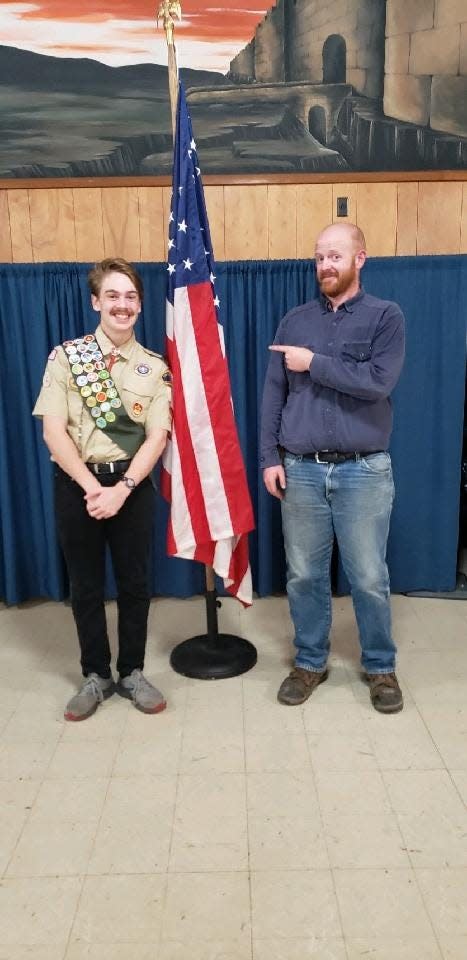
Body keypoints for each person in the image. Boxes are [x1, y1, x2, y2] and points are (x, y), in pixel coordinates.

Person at [260, 223, 405, 713]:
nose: (326, 265)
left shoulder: (387, 317)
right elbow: (273, 394)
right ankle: (309, 661)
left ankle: (381, 668)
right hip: (300, 470)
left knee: (367, 576)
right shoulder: (294, 320)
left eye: (336, 256)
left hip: (363, 471)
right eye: (320, 256)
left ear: (360, 259)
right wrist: (268, 457)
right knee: (303, 574)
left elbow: (378, 382)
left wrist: (314, 363)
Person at [33, 258, 172, 721]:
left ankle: (132, 670)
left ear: (140, 305)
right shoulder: (67, 357)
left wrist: (124, 487)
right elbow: (54, 432)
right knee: (86, 586)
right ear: (96, 301)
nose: (122, 304)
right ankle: (95, 674)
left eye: (130, 296)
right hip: (79, 485)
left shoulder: (154, 367)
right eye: (112, 295)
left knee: (135, 583)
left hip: (132, 486)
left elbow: (157, 437)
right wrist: (96, 488)